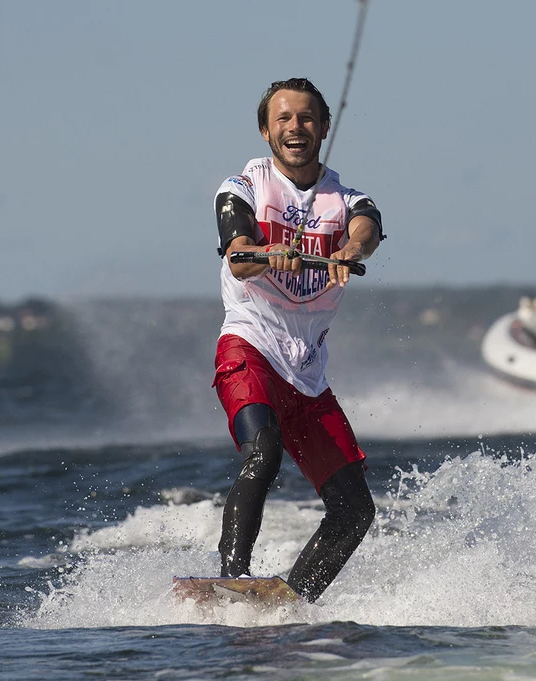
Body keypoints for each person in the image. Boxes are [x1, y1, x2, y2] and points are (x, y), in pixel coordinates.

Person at [210, 78, 383, 603]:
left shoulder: (347, 197)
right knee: (264, 450)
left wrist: (348, 249)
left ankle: (290, 599)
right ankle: (231, 580)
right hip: (249, 348)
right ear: (266, 130)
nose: (295, 128)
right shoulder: (242, 186)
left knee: (357, 510)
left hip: (307, 374)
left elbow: (366, 230)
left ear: (324, 128)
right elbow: (238, 254)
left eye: (306, 118)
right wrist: (268, 253)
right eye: (283, 119)